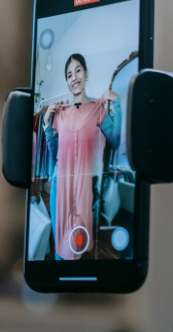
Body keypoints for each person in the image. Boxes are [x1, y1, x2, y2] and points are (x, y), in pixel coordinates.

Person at [43, 53, 121, 260]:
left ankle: (74, 285)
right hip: (60, 185)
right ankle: (61, 287)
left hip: (84, 186)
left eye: (78, 71)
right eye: (69, 75)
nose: (74, 77)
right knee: (60, 247)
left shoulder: (97, 109)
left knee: (78, 246)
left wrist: (118, 103)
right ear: (67, 82)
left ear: (86, 74)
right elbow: (54, 150)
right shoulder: (60, 113)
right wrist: (46, 124)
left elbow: (115, 137)